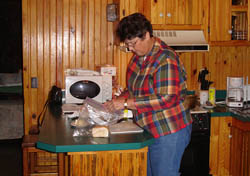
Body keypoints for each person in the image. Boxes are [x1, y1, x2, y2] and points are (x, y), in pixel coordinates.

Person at [105, 13, 192, 176]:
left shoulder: (165, 59)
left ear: (146, 35)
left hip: (168, 130)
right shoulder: (139, 57)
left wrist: (125, 104)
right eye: (128, 44)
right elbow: (133, 91)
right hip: (149, 129)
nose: (130, 48)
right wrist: (118, 99)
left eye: (132, 43)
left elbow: (167, 98)